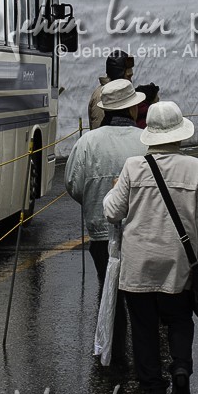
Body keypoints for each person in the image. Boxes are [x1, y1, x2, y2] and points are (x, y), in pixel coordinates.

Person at [103, 101, 198, 394]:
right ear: (179, 133)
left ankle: (153, 390)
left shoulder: (133, 166)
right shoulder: (197, 168)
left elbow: (112, 211)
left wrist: (114, 189)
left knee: (143, 328)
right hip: (178, 261)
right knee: (179, 319)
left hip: (138, 262)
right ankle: (181, 368)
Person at [65, 79, 148, 364]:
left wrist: (93, 203)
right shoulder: (145, 140)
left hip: (101, 232)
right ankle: (143, 356)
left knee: (109, 289)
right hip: (140, 231)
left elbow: (73, 183)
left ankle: (113, 352)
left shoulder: (87, 142)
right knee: (139, 294)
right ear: (133, 108)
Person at [87, 51, 135, 131]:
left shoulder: (118, 94)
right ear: (118, 75)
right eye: (128, 77)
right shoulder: (101, 96)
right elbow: (99, 133)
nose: (130, 81)